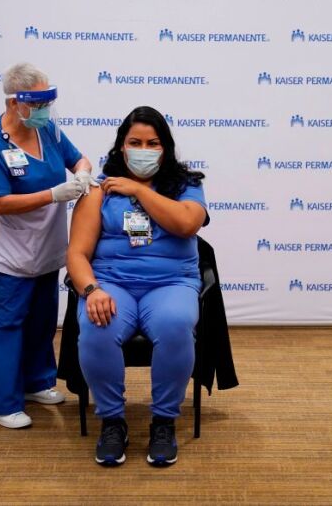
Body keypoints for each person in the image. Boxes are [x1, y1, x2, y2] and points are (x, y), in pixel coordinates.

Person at [66, 106, 208, 467]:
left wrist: (138, 191)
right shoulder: (98, 190)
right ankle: (113, 422)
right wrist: (92, 290)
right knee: (98, 325)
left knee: (175, 323)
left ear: (165, 148)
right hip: (112, 283)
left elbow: (187, 224)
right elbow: (77, 254)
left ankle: (164, 423)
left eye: (152, 143)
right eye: (135, 142)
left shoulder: (187, 185)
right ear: (121, 146)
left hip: (171, 282)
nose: (143, 150)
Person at [0, 63, 98, 428]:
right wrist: (54, 194)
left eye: (47, 102)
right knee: (7, 327)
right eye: (37, 103)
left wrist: (83, 173)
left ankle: (37, 382)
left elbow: (79, 158)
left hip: (45, 250)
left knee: (41, 323)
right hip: (7, 255)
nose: (44, 110)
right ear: (14, 102)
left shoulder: (48, 131)